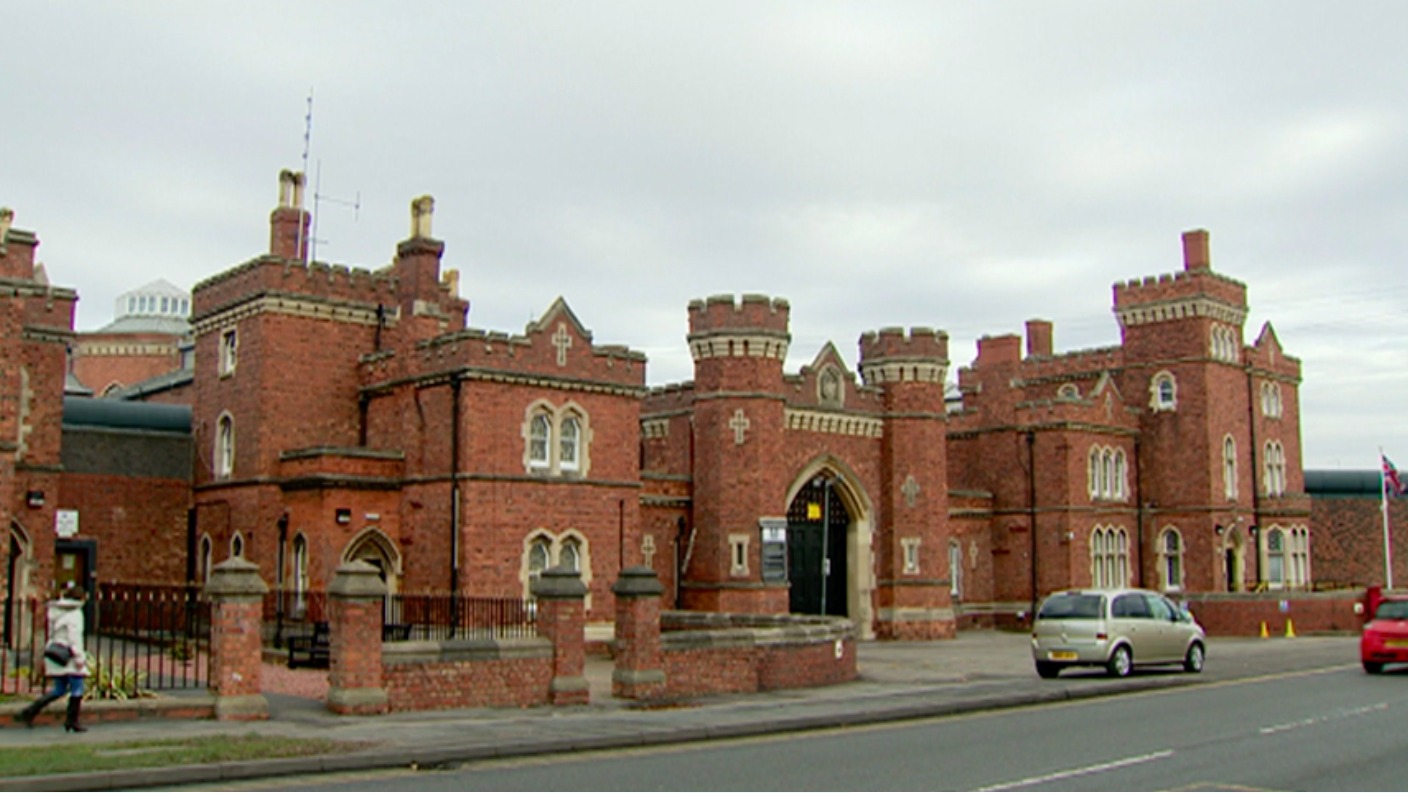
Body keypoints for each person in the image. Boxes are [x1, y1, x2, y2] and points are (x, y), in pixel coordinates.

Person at [16, 587, 88, 732]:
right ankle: (72, 721)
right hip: (70, 656)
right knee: (77, 689)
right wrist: (80, 658)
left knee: (59, 689)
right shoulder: (75, 614)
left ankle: (30, 711)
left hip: (55, 652)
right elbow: (74, 638)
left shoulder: (55, 611)